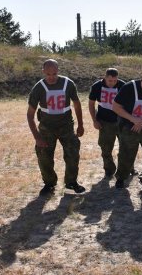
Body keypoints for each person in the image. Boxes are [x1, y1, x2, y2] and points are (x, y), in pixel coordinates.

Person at [27, 59, 86, 195]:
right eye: (48, 74)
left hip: (66, 126)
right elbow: (30, 115)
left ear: (58, 71)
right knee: (44, 156)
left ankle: (71, 183)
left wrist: (81, 125)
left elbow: (77, 104)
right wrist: (37, 137)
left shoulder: (68, 84)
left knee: (72, 154)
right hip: (47, 128)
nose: (51, 77)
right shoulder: (39, 88)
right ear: (43, 72)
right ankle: (49, 183)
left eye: (54, 73)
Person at [88, 68, 126, 178]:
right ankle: (109, 169)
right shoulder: (97, 86)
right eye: (110, 80)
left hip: (121, 121)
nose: (112, 83)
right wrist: (94, 120)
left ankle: (127, 168)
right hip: (105, 122)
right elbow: (91, 104)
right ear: (105, 77)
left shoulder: (123, 85)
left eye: (115, 80)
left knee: (126, 147)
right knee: (105, 148)